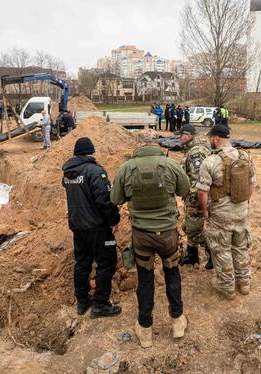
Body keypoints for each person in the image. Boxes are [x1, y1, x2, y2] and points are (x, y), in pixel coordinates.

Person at [110, 131, 190, 348]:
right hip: (167, 234)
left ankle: (145, 330)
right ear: (156, 143)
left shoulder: (126, 167)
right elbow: (185, 189)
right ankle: (177, 322)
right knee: (172, 274)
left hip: (141, 236)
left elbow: (115, 199)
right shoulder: (170, 164)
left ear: (138, 145)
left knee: (145, 280)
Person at [62, 137, 122, 318]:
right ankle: (100, 305)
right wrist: (114, 220)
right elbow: (105, 200)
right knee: (107, 263)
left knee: (82, 263)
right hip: (97, 227)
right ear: (91, 152)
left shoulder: (68, 172)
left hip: (77, 225)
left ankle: (82, 301)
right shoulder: (95, 171)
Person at [196, 124, 257, 299]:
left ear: (216, 138)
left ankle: (227, 287)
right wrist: (245, 202)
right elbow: (252, 183)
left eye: (210, 138)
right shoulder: (245, 156)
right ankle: (244, 283)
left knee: (221, 249)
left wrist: (205, 210)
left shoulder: (210, 161)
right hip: (241, 212)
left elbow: (202, 191)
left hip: (220, 215)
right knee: (240, 246)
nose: (210, 141)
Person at [177, 124, 213, 268]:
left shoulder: (196, 152)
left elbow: (199, 180)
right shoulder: (192, 149)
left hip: (196, 198)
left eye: (182, 135)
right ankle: (192, 256)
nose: (180, 138)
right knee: (190, 226)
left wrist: (195, 203)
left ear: (189, 135)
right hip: (192, 197)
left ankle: (214, 255)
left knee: (194, 229)